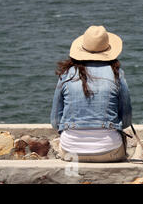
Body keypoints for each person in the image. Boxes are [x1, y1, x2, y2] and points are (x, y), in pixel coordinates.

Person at [50, 25, 132, 162]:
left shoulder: (66, 75)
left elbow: (55, 121)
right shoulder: (117, 75)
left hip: (71, 150)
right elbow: (126, 120)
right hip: (109, 150)